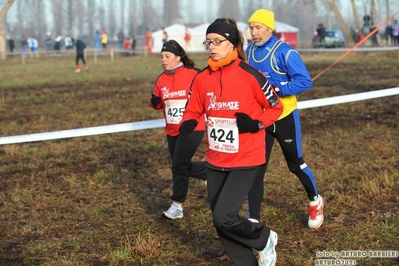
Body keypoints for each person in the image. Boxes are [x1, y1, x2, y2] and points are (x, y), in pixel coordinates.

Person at [179, 18, 283, 266]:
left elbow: (275, 107)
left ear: (233, 43)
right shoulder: (202, 78)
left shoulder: (250, 75)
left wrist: (256, 123)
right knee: (219, 219)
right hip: (216, 158)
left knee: (224, 216)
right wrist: (188, 121)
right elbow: (193, 109)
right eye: (209, 42)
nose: (212, 46)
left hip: (247, 157)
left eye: (218, 41)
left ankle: (264, 237)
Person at [246, 9, 324, 229]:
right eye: (251, 27)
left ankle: (315, 201)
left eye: (258, 27)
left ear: (270, 28)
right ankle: (253, 220)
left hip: (284, 116)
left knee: (295, 164)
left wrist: (280, 88)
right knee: (256, 168)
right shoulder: (249, 50)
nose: (253, 32)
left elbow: (305, 81)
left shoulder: (285, 52)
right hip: (261, 118)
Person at [149, 40, 207, 220]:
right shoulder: (161, 79)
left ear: (178, 57)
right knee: (180, 165)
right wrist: (155, 103)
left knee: (178, 165)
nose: (164, 60)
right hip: (172, 129)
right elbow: (156, 102)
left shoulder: (194, 75)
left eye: (167, 56)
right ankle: (209, 172)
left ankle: (177, 206)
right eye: (162, 57)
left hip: (193, 127)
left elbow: (206, 95)